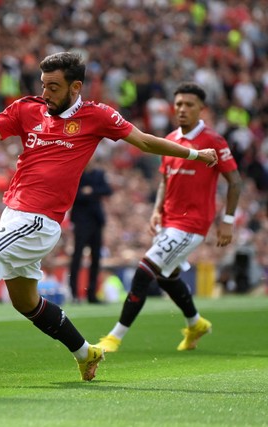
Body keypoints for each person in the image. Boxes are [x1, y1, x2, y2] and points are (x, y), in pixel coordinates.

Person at [0, 53, 218, 381]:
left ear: (75, 87)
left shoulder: (97, 115)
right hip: (14, 217)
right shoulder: (27, 109)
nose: (45, 92)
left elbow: (144, 142)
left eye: (54, 86)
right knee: (26, 302)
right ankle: (86, 352)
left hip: (37, 221)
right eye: (43, 84)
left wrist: (195, 154)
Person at [96, 82, 241, 353]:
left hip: (192, 223)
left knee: (143, 272)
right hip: (169, 221)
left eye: (189, 105)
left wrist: (228, 220)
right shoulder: (171, 139)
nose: (182, 109)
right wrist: (156, 210)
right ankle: (196, 323)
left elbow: (235, 181)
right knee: (166, 276)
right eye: (178, 105)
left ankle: (114, 337)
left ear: (202, 109)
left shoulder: (214, 141)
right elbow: (165, 179)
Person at [68, 157, 113, 303]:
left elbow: (107, 190)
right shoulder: (77, 173)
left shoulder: (98, 174)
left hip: (95, 220)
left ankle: (92, 294)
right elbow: (73, 193)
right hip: (82, 221)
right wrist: (91, 194)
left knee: (96, 257)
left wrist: (90, 191)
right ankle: (74, 293)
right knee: (77, 256)